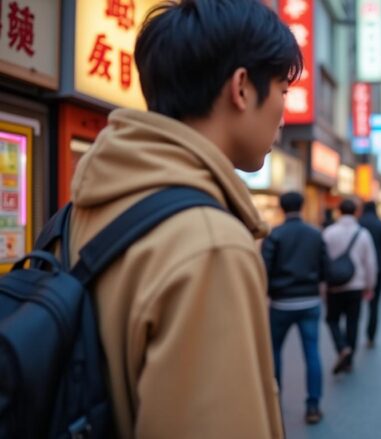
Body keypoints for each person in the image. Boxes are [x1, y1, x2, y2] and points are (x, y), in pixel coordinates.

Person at [65, 1, 301, 437]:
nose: (284, 115)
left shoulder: (89, 201)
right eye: (282, 91)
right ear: (242, 88)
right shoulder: (211, 244)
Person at [262, 192, 329, 424]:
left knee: (275, 352)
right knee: (312, 353)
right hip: (310, 301)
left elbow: (264, 268)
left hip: (281, 302)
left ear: (282, 208)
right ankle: (313, 406)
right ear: (302, 206)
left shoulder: (275, 234)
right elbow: (325, 267)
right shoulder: (315, 234)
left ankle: (275, 404)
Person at [322, 199, 378, 374]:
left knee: (332, 319)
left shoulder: (328, 233)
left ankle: (341, 347)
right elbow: (370, 263)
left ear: (339, 211)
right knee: (352, 322)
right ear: (356, 212)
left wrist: (322, 285)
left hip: (334, 285)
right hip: (356, 284)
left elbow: (322, 260)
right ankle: (349, 359)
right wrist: (370, 285)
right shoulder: (363, 234)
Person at [358, 201, 381, 347]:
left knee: (354, 307)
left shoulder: (358, 223)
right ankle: (371, 336)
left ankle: (351, 339)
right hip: (377, 269)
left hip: (357, 270)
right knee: (374, 305)